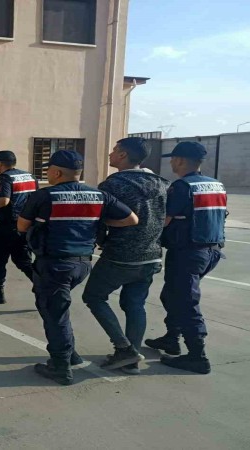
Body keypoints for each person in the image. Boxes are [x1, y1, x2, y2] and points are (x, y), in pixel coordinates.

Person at [18, 150, 138, 385]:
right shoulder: (99, 195)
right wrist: (96, 221)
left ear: (56, 172)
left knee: (55, 314)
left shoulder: (44, 196)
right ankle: (69, 353)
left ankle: (60, 367)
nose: (47, 173)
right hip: (82, 263)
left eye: (48, 169)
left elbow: (22, 226)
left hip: (55, 264)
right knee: (56, 309)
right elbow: (131, 219)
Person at [82, 137, 169, 375]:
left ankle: (124, 348)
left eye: (114, 150)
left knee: (93, 296)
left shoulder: (113, 185)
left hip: (121, 255)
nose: (110, 154)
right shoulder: (161, 183)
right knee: (135, 304)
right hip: (151, 255)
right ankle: (131, 361)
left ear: (123, 155)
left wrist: (100, 240)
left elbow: (99, 219)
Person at [145, 141, 226, 375]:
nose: (171, 162)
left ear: (180, 160)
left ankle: (197, 356)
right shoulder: (216, 185)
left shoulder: (182, 187)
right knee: (171, 295)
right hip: (211, 250)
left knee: (186, 301)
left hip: (188, 252)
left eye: (173, 159)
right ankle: (172, 338)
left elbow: (164, 220)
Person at [0, 150, 38, 303]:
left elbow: (3, 201)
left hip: (7, 225)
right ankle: (44, 287)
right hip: (26, 225)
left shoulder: (4, 178)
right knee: (23, 261)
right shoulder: (30, 176)